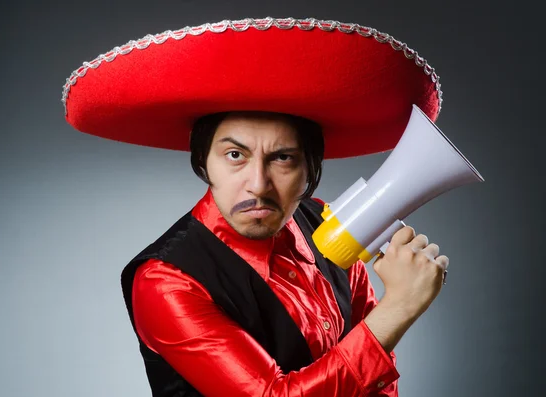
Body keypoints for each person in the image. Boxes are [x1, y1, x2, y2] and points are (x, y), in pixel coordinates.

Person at [62, 17, 449, 397]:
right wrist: (398, 306)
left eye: (282, 158)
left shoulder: (325, 220)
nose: (259, 185)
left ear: (309, 168)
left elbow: (374, 379)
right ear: (203, 162)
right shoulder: (165, 280)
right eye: (235, 155)